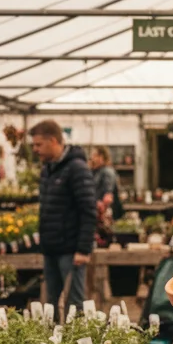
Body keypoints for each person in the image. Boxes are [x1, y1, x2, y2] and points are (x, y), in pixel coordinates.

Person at [31, 120, 97, 307]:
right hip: (51, 249)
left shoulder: (77, 168)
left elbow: (88, 210)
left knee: (74, 304)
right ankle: (53, 337)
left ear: (53, 140)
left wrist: (83, 249)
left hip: (71, 250)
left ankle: (78, 337)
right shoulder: (48, 169)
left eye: (38, 144)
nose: (35, 149)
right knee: (50, 304)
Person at [89, 146, 122, 221]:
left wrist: (102, 210)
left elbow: (108, 195)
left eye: (94, 155)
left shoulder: (107, 171)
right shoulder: (96, 171)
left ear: (101, 157)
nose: (92, 158)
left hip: (104, 213)